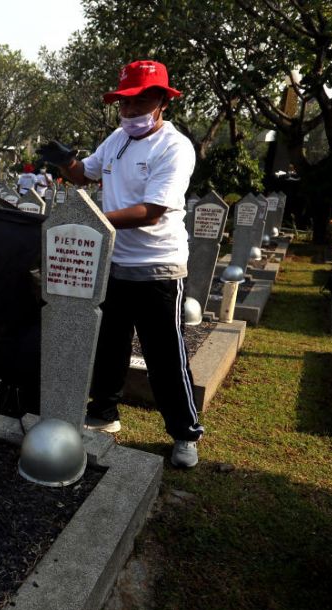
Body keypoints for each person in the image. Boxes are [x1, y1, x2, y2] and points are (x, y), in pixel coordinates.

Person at [37, 60, 201, 468]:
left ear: (162, 101)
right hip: (112, 262)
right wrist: (65, 160)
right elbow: (84, 175)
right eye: (124, 103)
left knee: (164, 354)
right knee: (108, 345)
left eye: (140, 101)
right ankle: (104, 412)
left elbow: (151, 210)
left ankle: (185, 433)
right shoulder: (118, 139)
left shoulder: (174, 147)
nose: (129, 111)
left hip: (157, 266)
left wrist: (90, 223)